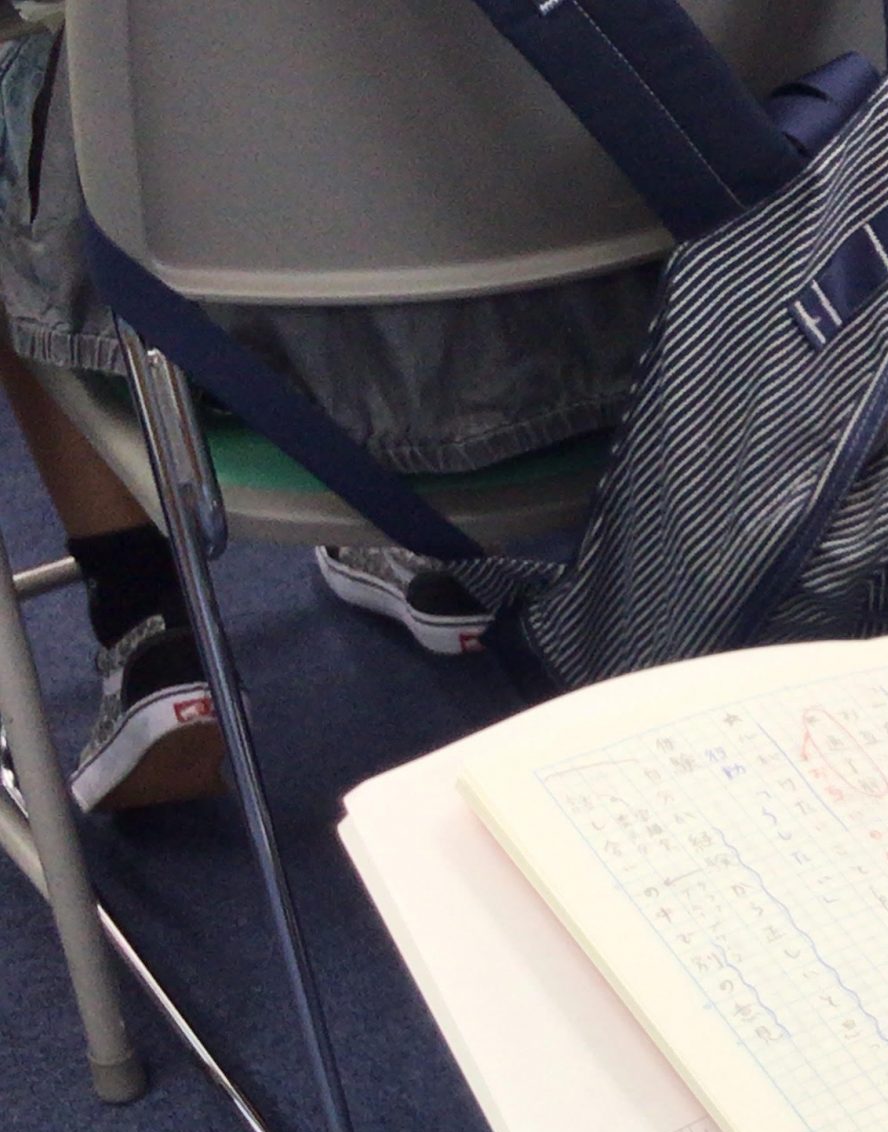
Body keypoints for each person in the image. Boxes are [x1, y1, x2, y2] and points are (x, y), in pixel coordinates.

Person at [0, 13, 652, 808]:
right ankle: (404, 535)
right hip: (622, 383)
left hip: (244, 331)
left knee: (39, 81)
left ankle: (146, 624)